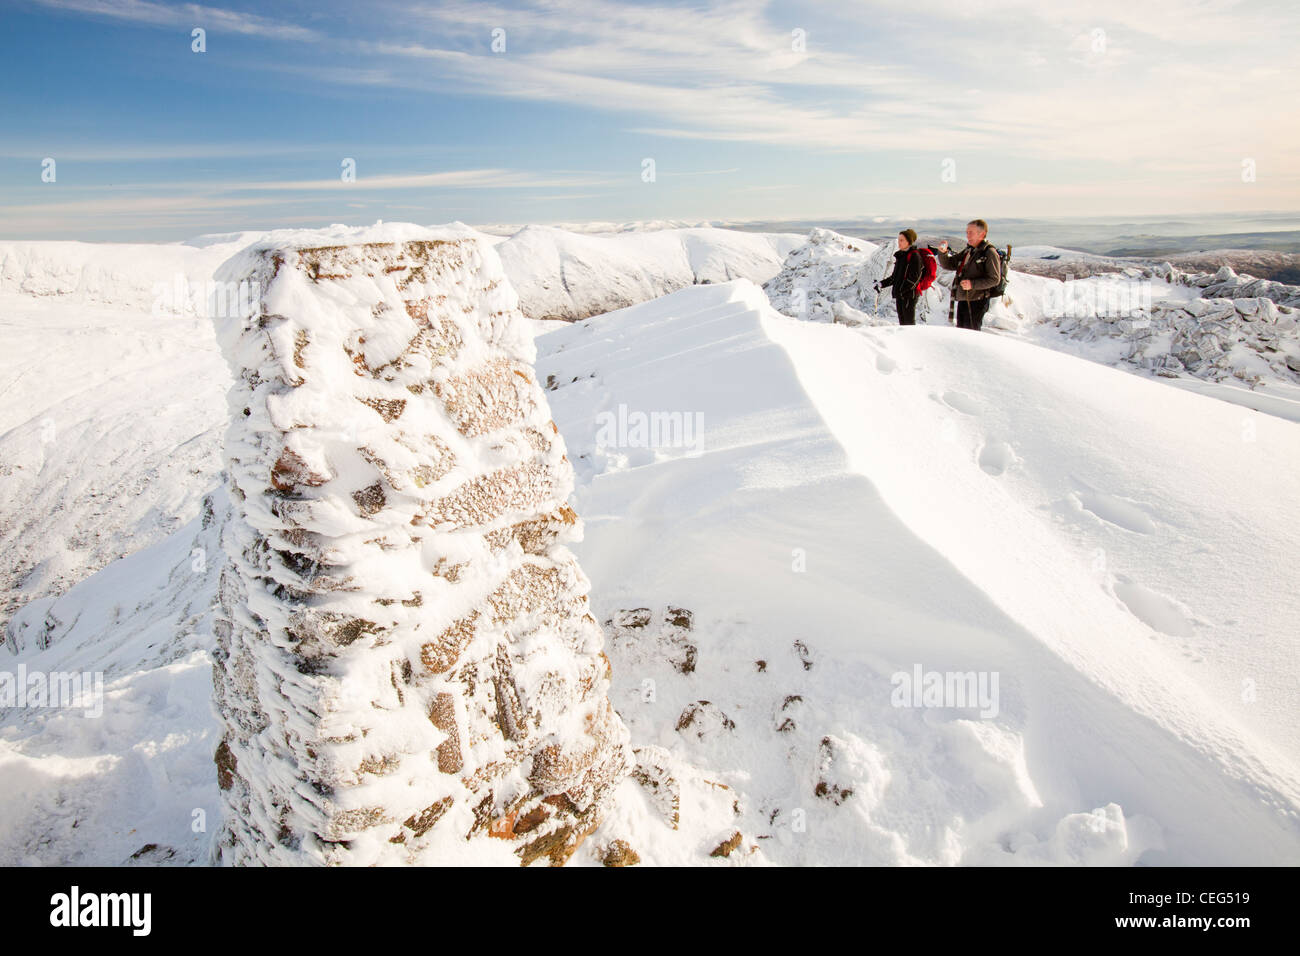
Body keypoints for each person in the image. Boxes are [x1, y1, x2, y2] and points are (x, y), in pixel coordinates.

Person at [935, 219, 1001, 331]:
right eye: (967, 232)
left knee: (971, 334)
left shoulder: (989, 252)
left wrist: (972, 284)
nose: (967, 235)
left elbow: (994, 279)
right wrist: (943, 253)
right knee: (962, 332)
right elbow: (950, 264)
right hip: (964, 297)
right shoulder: (969, 250)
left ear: (982, 233)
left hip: (977, 300)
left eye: (971, 232)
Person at [874, 228, 924, 326]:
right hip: (900, 295)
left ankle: (911, 340)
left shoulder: (915, 256)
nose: (899, 243)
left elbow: (914, 280)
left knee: (908, 323)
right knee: (902, 322)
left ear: (909, 241)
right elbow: (894, 277)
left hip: (909, 296)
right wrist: (881, 284)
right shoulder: (901, 256)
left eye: (902, 240)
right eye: (898, 240)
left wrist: (901, 290)